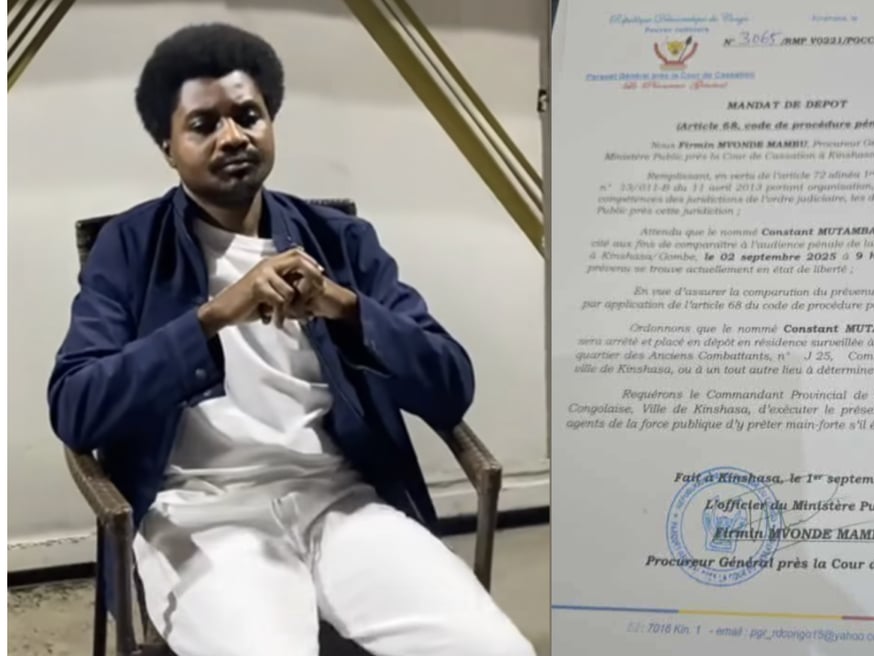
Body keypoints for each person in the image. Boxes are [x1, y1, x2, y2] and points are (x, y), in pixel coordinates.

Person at [47, 22, 535, 656]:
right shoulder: (130, 248)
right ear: (168, 147)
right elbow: (76, 406)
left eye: (248, 116)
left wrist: (344, 306)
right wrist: (213, 317)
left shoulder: (340, 241)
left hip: (341, 502)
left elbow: (449, 386)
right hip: (202, 517)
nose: (233, 136)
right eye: (203, 124)